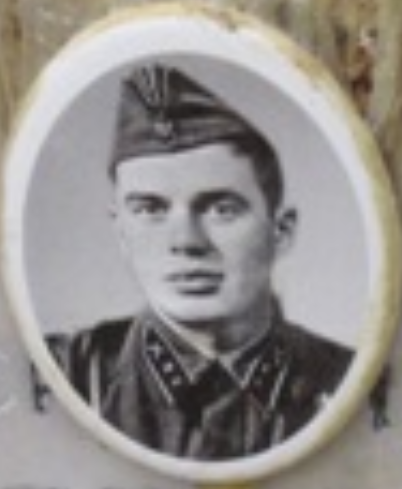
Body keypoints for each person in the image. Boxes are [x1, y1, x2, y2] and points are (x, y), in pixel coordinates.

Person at [37, 63, 353, 460]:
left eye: (221, 208)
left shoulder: (354, 384)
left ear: (281, 231)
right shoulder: (55, 379)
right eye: (150, 209)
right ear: (121, 233)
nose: (186, 242)